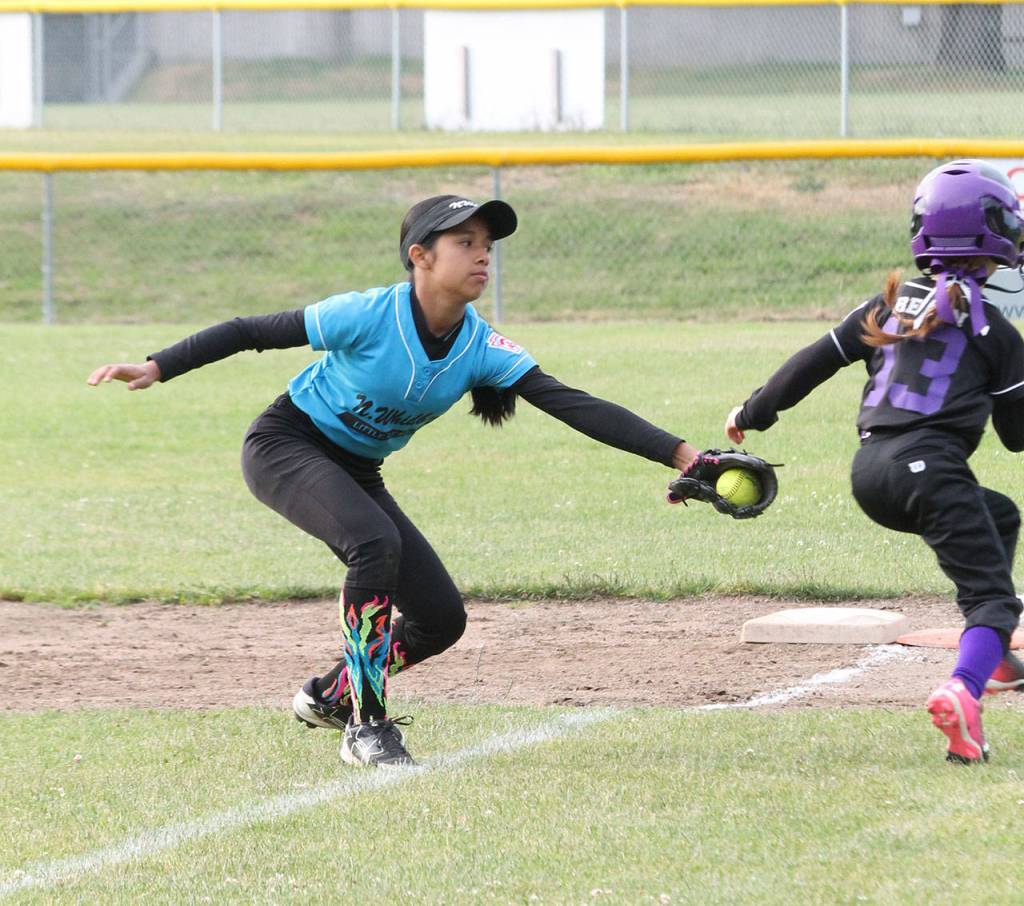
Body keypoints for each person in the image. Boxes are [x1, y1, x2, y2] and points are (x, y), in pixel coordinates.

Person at [88, 194, 700, 768]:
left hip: (357, 469)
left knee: (440, 619)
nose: (483, 255)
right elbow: (251, 331)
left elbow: (575, 405)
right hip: (286, 445)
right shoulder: (370, 313)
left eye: (487, 245)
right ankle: (366, 725)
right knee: (373, 543)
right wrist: (159, 365)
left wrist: (686, 458)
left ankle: (330, 696)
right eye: (465, 242)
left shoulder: (480, 345)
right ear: (420, 256)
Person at [723, 159, 1024, 765]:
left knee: (1000, 514)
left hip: (869, 475)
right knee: (992, 602)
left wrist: (752, 412)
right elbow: (1016, 438)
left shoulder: (885, 306)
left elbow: (813, 361)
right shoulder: (994, 331)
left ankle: (994, 658)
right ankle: (964, 689)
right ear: (996, 236)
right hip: (933, 473)